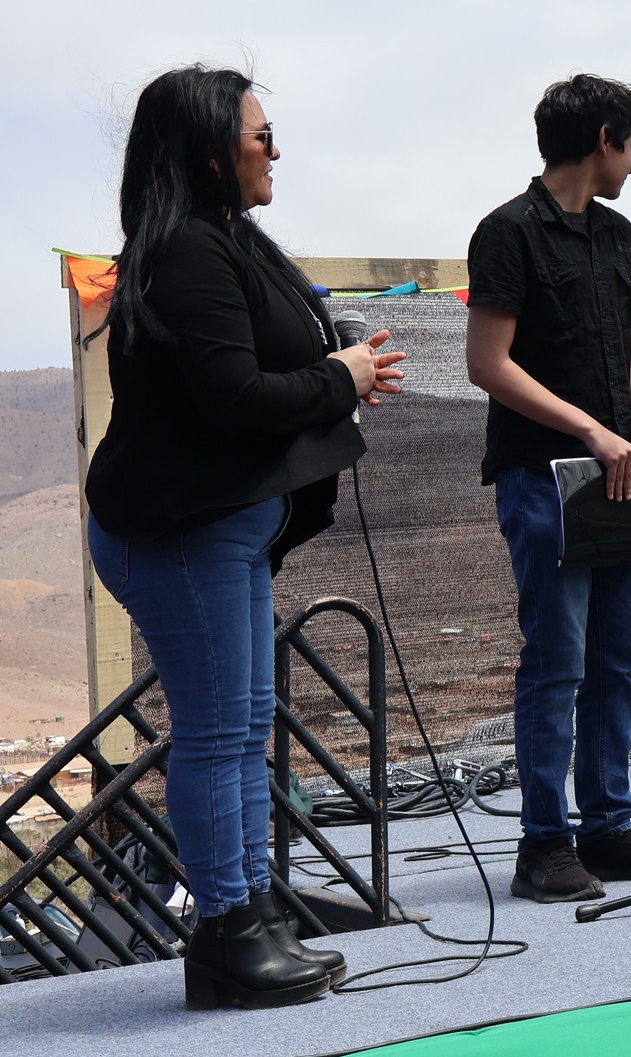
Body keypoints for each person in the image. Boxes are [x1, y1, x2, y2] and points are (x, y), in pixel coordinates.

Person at [85, 65, 404, 1009]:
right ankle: (225, 932)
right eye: (262, 137)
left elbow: (267, 366)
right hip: (182, 533)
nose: (275, 153)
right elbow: (234, 398)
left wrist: (338, 365)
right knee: (220, 732)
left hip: (223, 530)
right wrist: (342, 377)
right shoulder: (186, 250)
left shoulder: (224, 240)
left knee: (240, 727)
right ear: (210, 150)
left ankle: (251, 912)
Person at [465, 74, 631, 902]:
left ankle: (608, 825)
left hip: (627, 473)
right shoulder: (507, 232)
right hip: (544, 476)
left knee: (616, 660)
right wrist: (591, 432)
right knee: (557, 662)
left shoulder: (620, 232)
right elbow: (487, 363)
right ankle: (544, 842)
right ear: (606, 136)